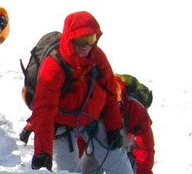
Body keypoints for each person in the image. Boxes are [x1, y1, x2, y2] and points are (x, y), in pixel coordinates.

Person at [28, 11, 133, 174]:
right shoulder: (53, 66)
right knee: (69, 171)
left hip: (92, 118)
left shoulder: (97, 57)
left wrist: (114, 127)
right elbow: (44, 111)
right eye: (80, 39)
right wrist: (43, 152)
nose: (85, 45)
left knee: (118, 162)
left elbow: (110, 94)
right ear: (70, 39)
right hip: (61, 124)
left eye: (90, 39)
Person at [113, 76, 155, 174]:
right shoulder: (93, 104)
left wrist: (143, 171)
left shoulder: (135, 109)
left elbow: (144, 148)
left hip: (127, 150)